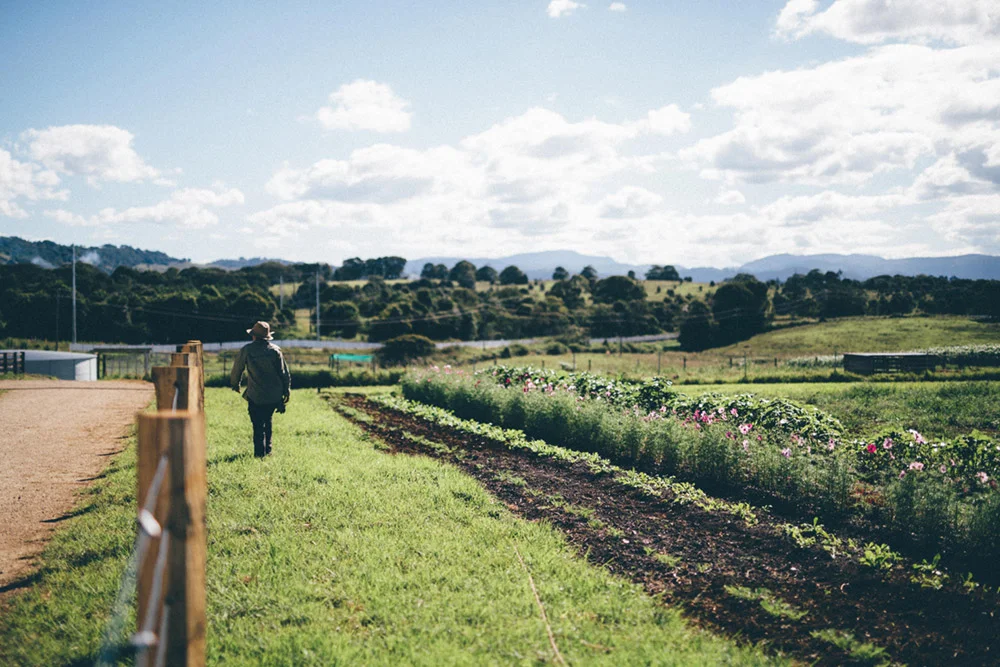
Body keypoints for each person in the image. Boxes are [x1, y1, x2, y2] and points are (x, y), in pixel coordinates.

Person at [230, 321, 291, 457]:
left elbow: (237, 368)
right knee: (267, 420)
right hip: (273, 394)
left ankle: (259, 453)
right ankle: (268, 450)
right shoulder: (275, 350)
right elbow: (284, 372)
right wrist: (286, 390)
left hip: (255, 394)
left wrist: (235, 384)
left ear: (254, 336)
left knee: (257, 424)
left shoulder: (247, 350)